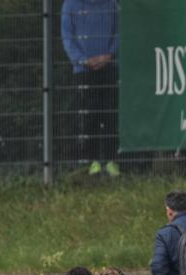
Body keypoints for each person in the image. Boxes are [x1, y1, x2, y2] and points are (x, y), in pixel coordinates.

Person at [60, 0, 119, 176]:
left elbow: (119, 31)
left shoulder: (112, 3)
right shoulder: (70, 5)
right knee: (89, 115)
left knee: (110, 114)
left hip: (110, 67)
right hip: (84, 70)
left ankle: (111, 161)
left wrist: (110, 55)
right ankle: (92, 163)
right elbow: (67, 37)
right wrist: (83, 60)